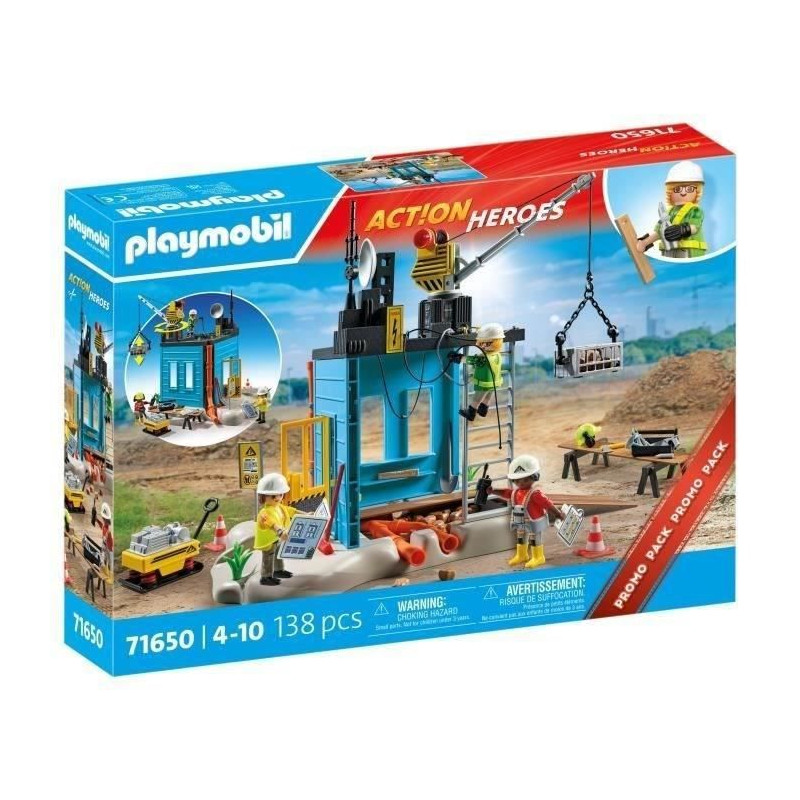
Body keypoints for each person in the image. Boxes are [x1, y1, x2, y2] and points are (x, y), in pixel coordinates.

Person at [492, 454, 565, 569]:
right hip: (520, 521)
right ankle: (522, 555)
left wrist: (558, 513)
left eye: (525, 480)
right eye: (517, 480)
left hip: (534, 521)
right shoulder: (515, 492)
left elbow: (548, 504)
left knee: (534, 538)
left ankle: (538, 557)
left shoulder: (535, 494)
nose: (521, 483)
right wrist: (493, 491)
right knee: (520, 537)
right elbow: (506, 493)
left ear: (534, 477)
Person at [636, 160, 708, 259]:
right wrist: (645, 243)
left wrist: (683, 230)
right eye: (677, 189)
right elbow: (659, 232)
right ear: (670, 191)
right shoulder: (668, 212)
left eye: (689, 189)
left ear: (697, 191)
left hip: (689, 252)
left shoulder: (694, 210)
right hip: (669, 252)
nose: (683, 193)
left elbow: (695, 227)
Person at [254, 473, 295, 586]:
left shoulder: (279, 507)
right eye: (273, 496)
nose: (277, 498)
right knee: (268, 557)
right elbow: (271, 524)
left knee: (278, 554)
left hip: (276, 539)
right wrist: (280, 531)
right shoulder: (264, 513)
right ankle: (265, 576)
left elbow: (291, 511)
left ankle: (278, 570)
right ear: (263, 496)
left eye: (280, 495)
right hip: (268, 541)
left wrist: (305, 514)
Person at [460, 322, 504, 422]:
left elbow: (473, 360)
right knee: (487, 396)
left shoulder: (484, 357)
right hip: (495, 382)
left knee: (477, 398)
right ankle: (483, 410)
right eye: (480, 343)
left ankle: (471, 413)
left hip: (484, 383)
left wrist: (460, 358)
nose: (482, 346)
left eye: (486, 343)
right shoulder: (497, 355)